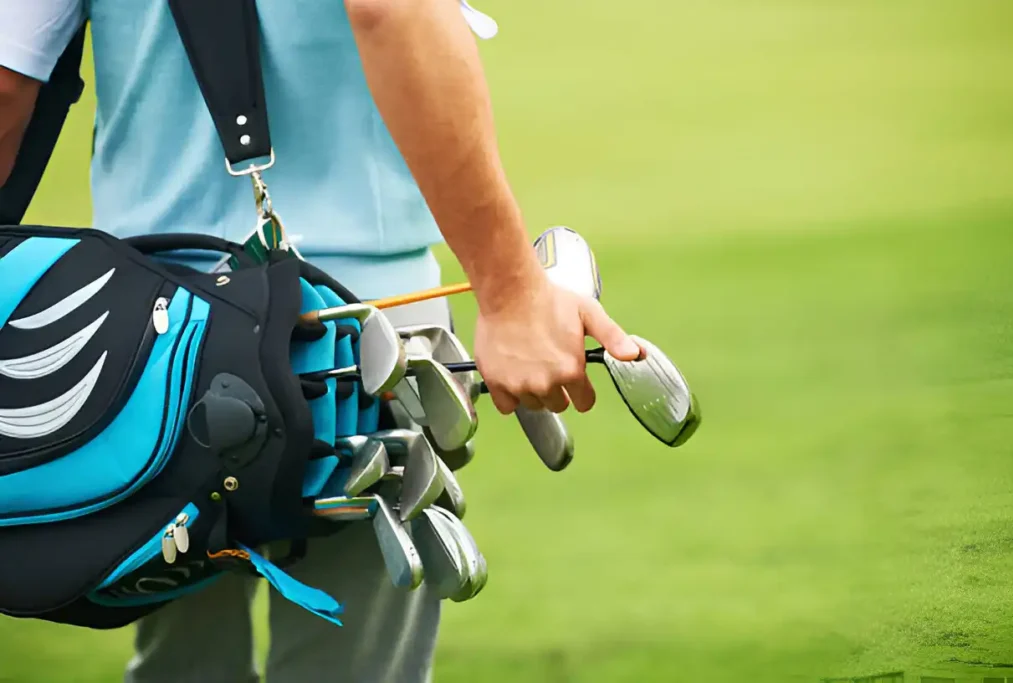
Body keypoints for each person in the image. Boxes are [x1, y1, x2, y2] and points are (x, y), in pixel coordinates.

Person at [0, 1, 642, 681]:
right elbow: (390, 10)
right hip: (360, 336)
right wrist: (510, 292)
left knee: (181, 667)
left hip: (150, 346)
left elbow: (9, 82)